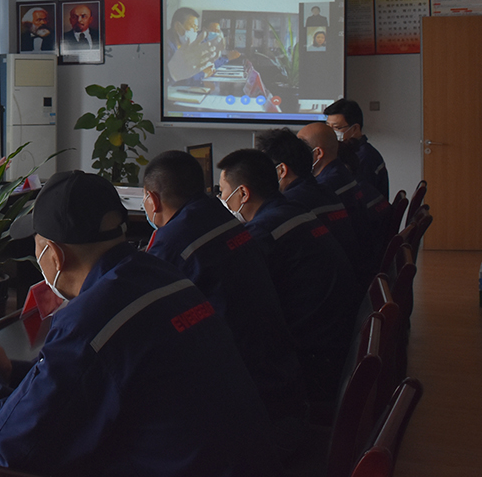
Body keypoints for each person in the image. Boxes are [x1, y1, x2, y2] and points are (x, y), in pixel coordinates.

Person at [0, 170, 276, 477]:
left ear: (55, 254)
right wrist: (9, 373)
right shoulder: (160, 274)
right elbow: (98, 380)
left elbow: (14, 442)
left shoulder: (92, 318)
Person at [141, 151, 307, 455]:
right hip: (277, 373)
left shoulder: (172, 243)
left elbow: (143, 315)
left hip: (243, 394)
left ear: (151, 199)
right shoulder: (221, 217)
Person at [218, 148, 356, 402]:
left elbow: (246, 304)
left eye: (222, 191)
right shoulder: (293, 209)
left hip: (311, 359)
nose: (221, 198)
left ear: (243, 194)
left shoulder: (263, 233)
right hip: (336, 338)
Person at [254, 127, 365, 282]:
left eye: (261, 171)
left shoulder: (290, 204)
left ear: (281, 171)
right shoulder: (324, 191)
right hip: (352, 278)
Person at [298, 122, 389, 277]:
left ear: (318, 153)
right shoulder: (341, 173)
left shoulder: (327, 186)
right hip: (363, 258)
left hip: (354, 268)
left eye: (300, 149)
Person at [325, 99, 389, 199]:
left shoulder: (364, 156)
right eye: (327, 126)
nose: (330, 132)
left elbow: (358, 195)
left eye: (336, 128)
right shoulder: (347, 151)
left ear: (355, 128)